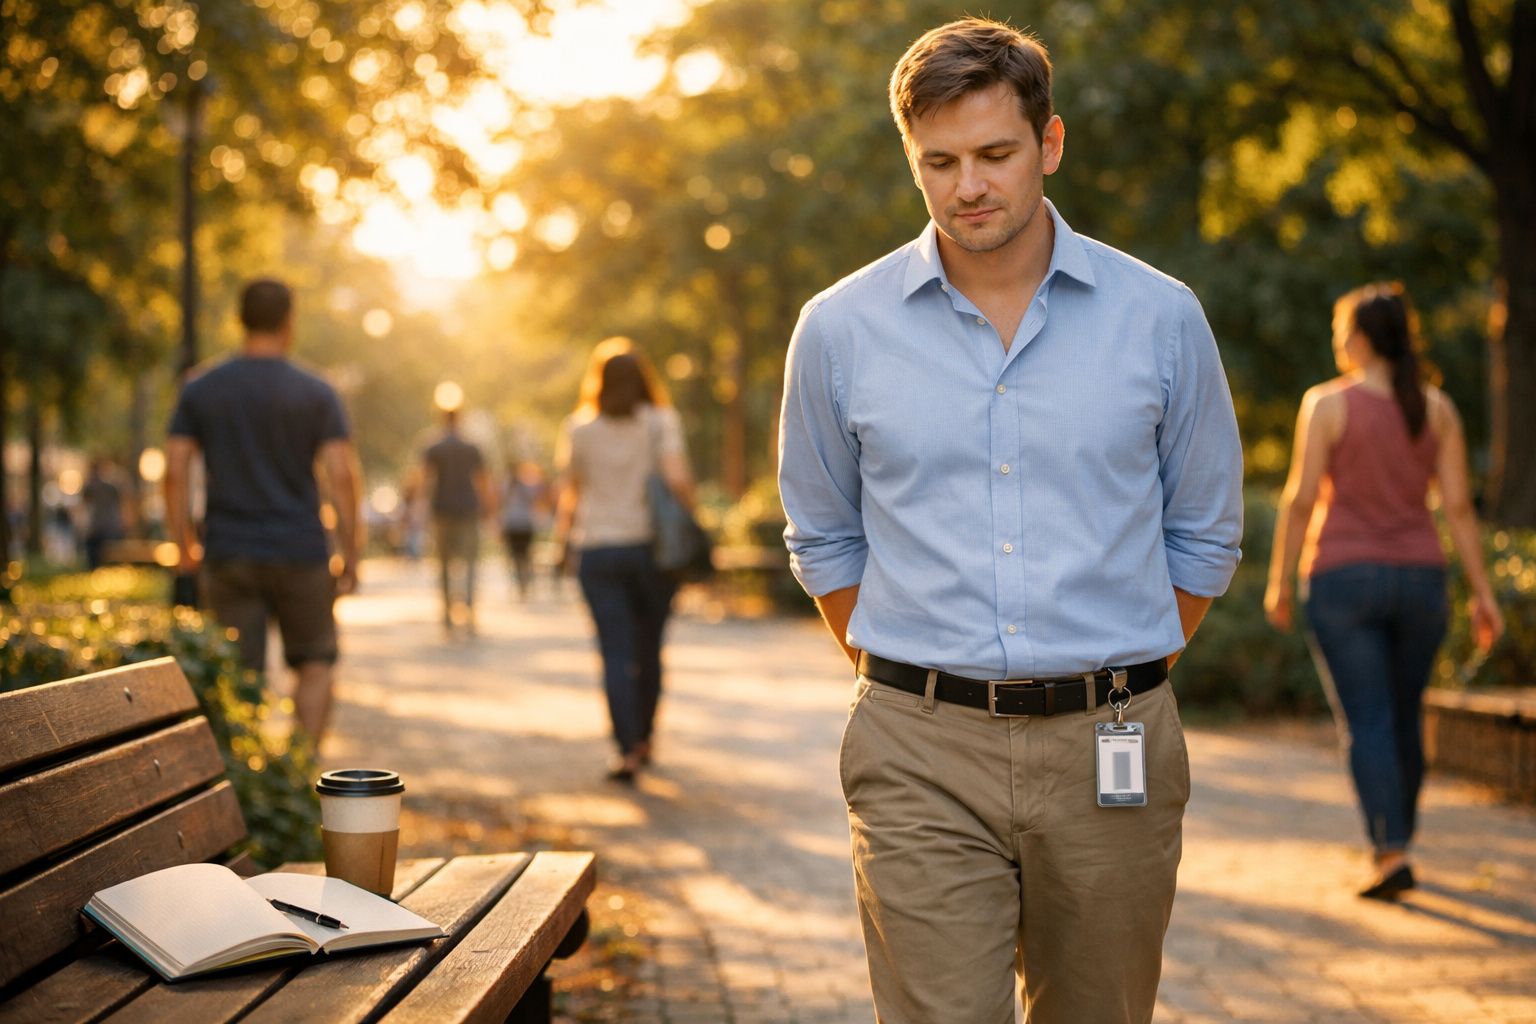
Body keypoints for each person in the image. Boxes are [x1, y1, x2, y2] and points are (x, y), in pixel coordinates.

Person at [777, 19, 1243, 1023]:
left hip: (1113, 741)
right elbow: (823, 535)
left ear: (1050, 143)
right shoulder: (838, 329)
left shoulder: (1161, 317)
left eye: (995, 153)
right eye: (939, 162)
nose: (968, 187)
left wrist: (1112, 666)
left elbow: (1205, 531)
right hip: (917, 749)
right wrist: (917, 678)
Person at [1264, 281, 1504, 900]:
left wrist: (1280, 581)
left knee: (1368, 718)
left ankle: (1391, 850)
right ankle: (1399, 840)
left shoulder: (1327, 404)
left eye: (1340, 331)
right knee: (1403, 715)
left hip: (1342, 579)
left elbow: (1300, 498)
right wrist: (1483, 593)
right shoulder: (1437, 408)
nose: (1337, 342)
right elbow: (1458, 508)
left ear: (1361, 339)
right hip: (1422, 580)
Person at [165, 278, 362, 746]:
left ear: (240, 320)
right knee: (315, 663)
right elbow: (341, 475)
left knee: (237, 672)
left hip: (229, 551)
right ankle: (298, 770)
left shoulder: (201, 388)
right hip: (302, 550)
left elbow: (174, 470)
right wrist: (351, 553)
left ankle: (247, 776)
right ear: (289, 322)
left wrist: (183, 544)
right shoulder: (316, 390)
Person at [553, 337, 695, 783]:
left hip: (597, 550)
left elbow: (570, 494)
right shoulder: (660, 422)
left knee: (614, 651)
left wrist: (562, 543)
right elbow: (677, 479)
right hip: (651, 552)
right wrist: (693, 519)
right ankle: (645, 739)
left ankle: (625, 750)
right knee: (649, 647)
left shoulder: (579, 428)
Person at [421, 405, 495, 634]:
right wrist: (489, 507)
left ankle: (447, 614)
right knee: (470, 562)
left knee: (443, 564)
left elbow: (426, 480)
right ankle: (470, 610)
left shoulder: (433, 446)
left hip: (441, 510)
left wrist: (421, 509)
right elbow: (483, 480)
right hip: (467, 509)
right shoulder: (471, 447)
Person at [500, 459, 550, 600]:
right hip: (525, 524)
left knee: (516, 555)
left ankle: (520, 583)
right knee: (525, 555)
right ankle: (525, 582)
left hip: (512, 523)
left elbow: (500, 502)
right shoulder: (527, 484)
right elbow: (539, 497)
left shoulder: (506, 485)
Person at [80, 459, 128, 569]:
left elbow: (83, 505)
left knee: (94, 560)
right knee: (113, 561)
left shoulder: (90, 486)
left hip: (97, 528)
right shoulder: (112, 486)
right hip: (111, 527)